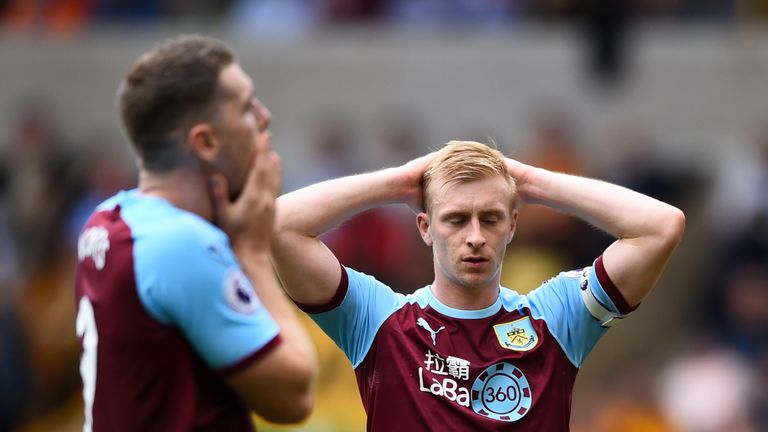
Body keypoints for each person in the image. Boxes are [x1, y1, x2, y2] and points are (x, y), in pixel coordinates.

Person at [271, 140, 685, 430]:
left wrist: (530, 181)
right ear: (425, 227)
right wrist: (400, 182)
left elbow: (661, 227)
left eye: (490, 218)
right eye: (454, 219)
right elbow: (279, 225)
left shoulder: (555, 318)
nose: (474, 236)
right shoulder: (378, 320)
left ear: (512, 225)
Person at [74, 35, 317, 431]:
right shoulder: (182, 245)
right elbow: (295, 396)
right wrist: (253, 253)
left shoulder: (106, 219)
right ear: (205, 142)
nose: (264, 117)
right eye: (245, 107)